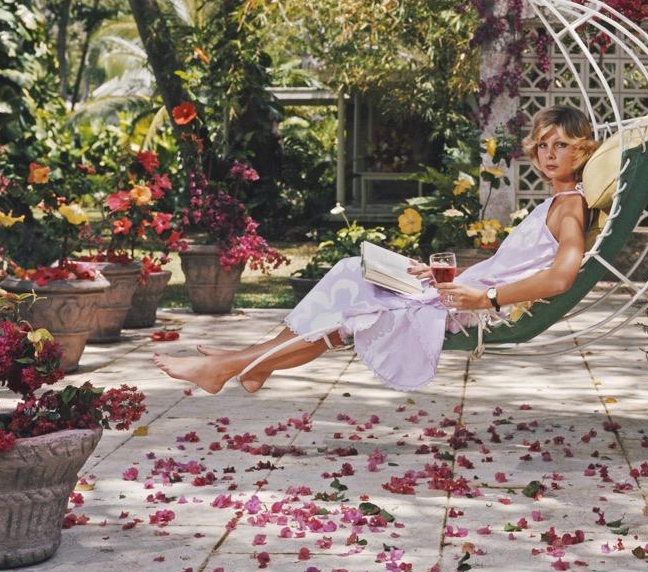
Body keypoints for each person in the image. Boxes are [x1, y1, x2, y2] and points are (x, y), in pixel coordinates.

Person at [151, 106, 596, 395]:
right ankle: (254, 363)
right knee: (352, 271)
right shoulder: (556, 202)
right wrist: (446, 274)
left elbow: (562, 277)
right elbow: (515, 264)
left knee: (349, 303)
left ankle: (230, 366)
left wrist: (486, 297)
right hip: (459, 292)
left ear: (582, 151)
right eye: (543, 144)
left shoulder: (570, 208)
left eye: (561, 145)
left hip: (469, 308)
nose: (549, 154)